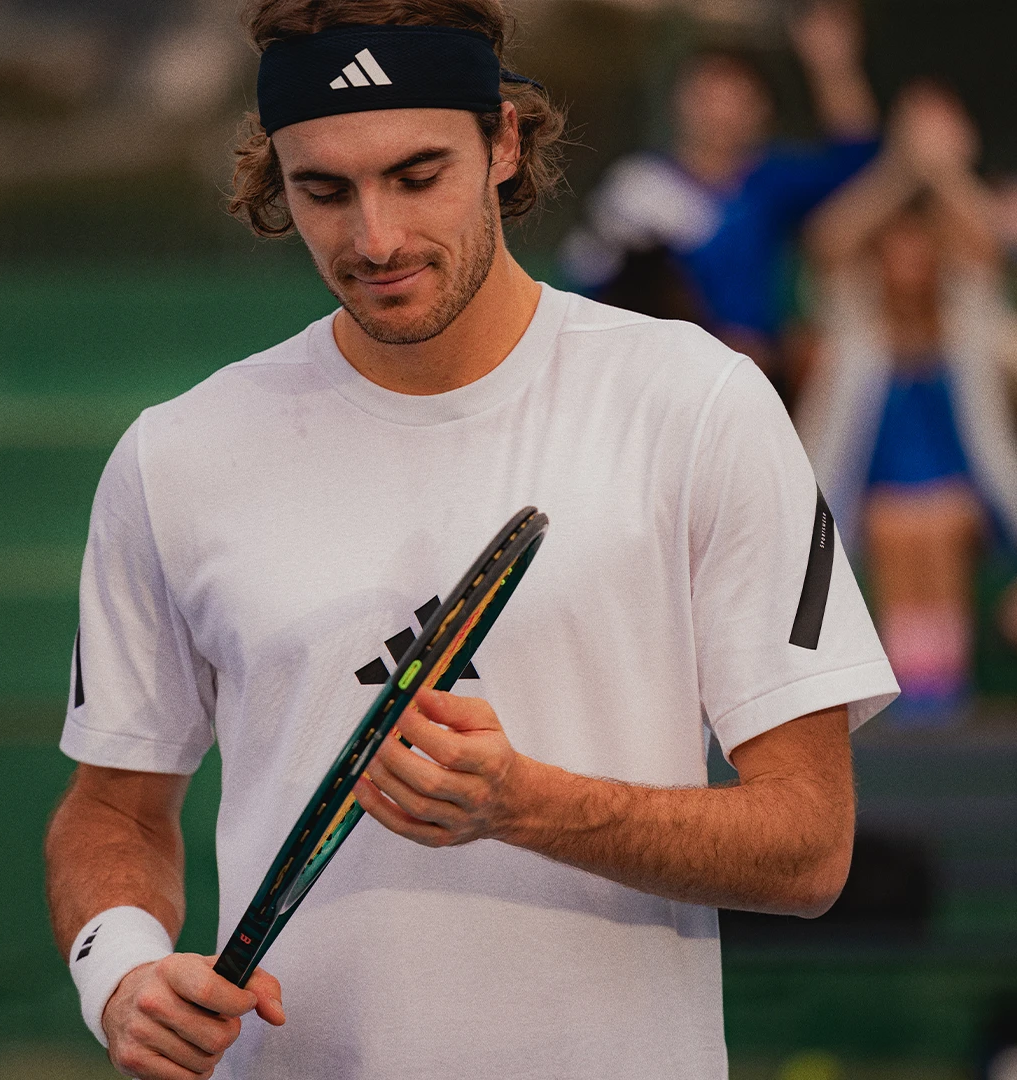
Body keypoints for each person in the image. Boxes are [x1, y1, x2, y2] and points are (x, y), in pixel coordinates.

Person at [44, 2, 898, 1078]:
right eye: (324, 189)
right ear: (276, 182)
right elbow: (112, 806)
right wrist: (119, 969)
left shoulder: (697, 403)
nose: (377, 238)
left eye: (415, 175)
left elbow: (811, 844)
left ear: (503, 142)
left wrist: (528, 805)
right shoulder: (176, 456)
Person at [795, 83, 1017, 714]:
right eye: (896, 246)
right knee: (898, 524)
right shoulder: (855, 323)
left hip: (969, 498)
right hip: (870, 498)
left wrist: (941, 169)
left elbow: (987, 246)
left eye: (922, 245)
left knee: (938, 519)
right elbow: (829, 240)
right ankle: (912, 696)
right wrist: (901, 165)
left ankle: (938, 697)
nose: (909, 259)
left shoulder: (970, 320)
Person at [560, 0, 880, 399]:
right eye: (708, 95)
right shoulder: (639, 188)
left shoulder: (770, 181)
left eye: (735, 98)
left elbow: (859, 169)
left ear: (761, 109)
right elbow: (589, 294)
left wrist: (833, 67)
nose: (720, 112)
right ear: (681, 101)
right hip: (662, 380)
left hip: (761, 384)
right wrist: (706, 345)